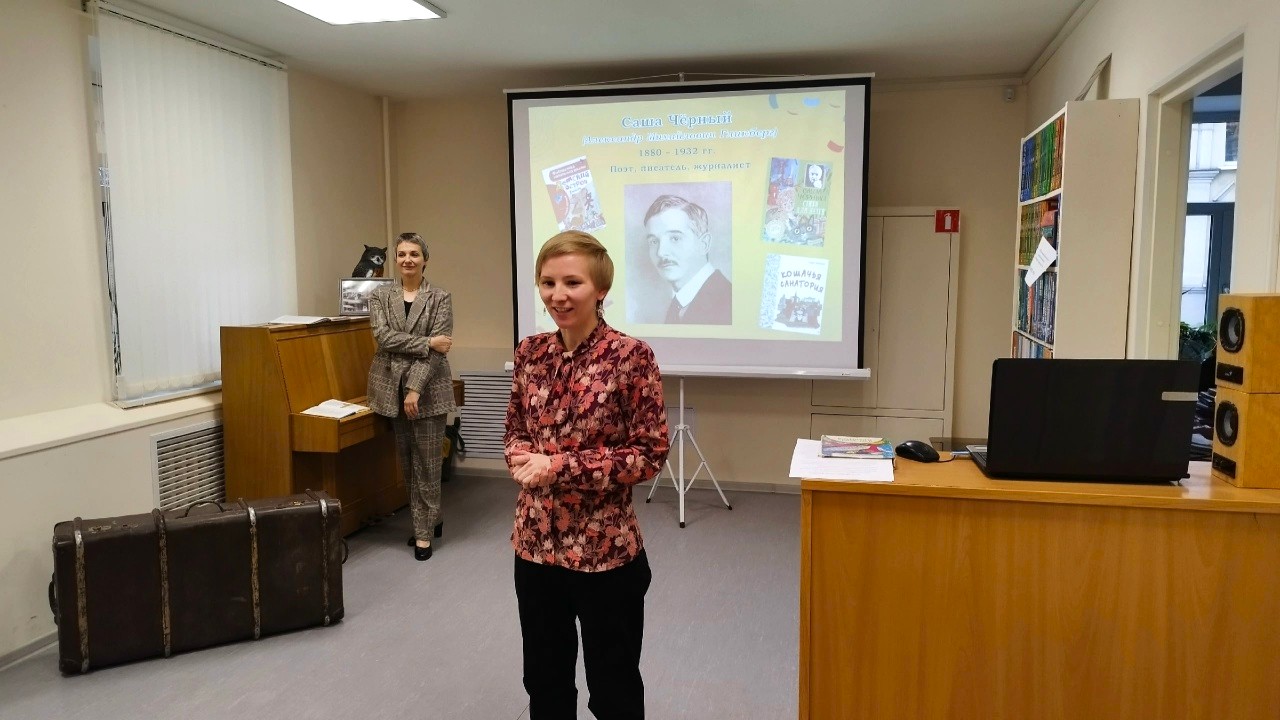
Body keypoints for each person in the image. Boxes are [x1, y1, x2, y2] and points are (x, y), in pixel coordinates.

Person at [505, 230, 670, 720]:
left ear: (601, 289)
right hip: (535, 547)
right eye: (548, 282)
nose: (558, 295)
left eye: (572, 282)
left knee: (614, 687)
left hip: (605, 553)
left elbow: (648, 453)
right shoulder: (530, 352)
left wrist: (557, 466)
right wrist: (520, 458)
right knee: (545, 682)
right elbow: (515, 431)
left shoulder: (630, 356)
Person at [367, 232, 456, 561]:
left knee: (428, 465)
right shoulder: (380, 296)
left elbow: (439, 351)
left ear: (425, 259)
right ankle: (433, 518)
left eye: (414, 254)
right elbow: (383, 337)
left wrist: (415, 389)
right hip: (391, 389)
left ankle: (422, 534)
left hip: (428, 389)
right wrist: (426, 341)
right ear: (396, 259)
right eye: (402, 254)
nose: (408, 259)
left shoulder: (440, 297)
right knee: (408, 463)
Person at [643, 194, 732, 324]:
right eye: (654, 241)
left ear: (704, 244)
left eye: (675, 238)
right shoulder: (678, 304)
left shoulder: (728, 302)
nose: (661, 252)